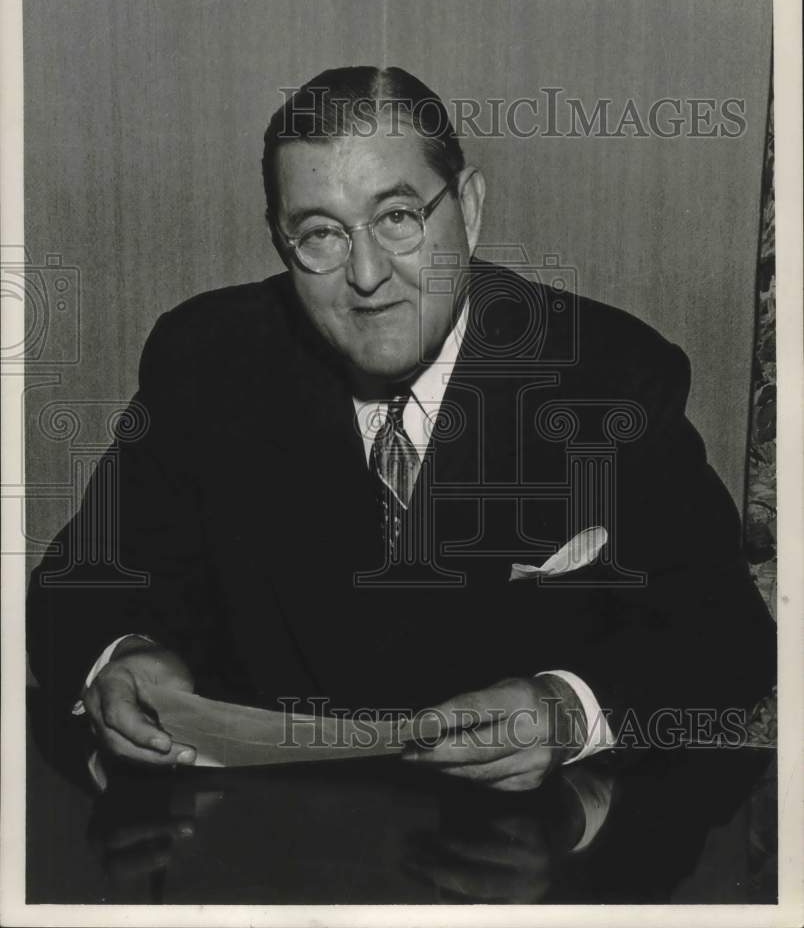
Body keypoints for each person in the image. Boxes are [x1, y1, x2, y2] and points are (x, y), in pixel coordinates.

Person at [27, 66, 776, 791]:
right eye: (320, 233)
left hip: (516, 871)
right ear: (280, 242)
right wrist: (122, 654)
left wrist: (564, 710)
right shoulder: (208, 360)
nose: (365, 275)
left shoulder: (608, 376)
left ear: (470, 209)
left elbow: (729, 639)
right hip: (263, 841)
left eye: (398, 218)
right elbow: (79, 581)